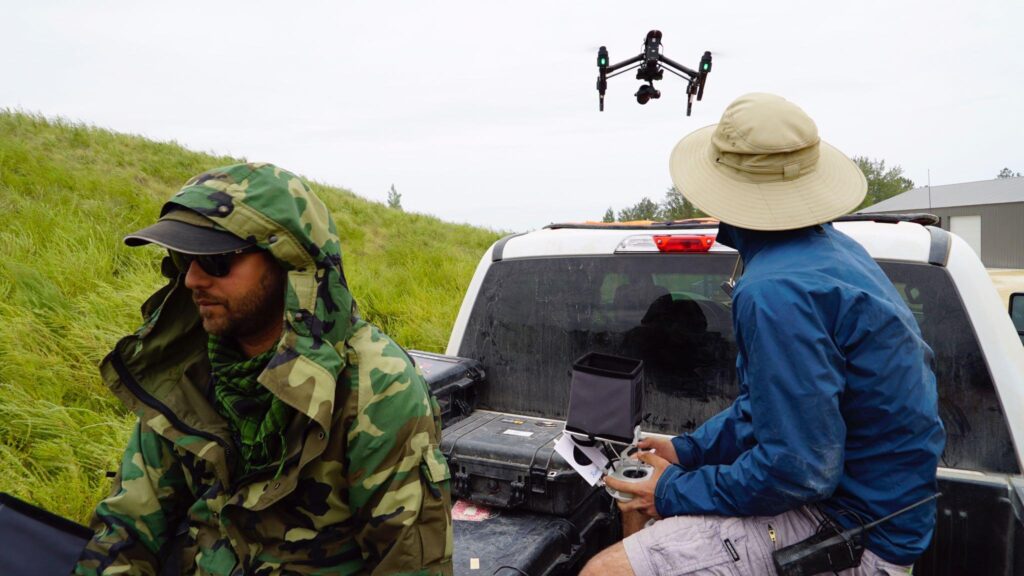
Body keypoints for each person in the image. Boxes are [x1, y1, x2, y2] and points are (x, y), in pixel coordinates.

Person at [583, 93, 945, 575]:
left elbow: (798, 469)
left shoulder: (774, 290)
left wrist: (670, 489)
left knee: (604, 572)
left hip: (854, 528)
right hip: (883, 511)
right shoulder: (831, 252)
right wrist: (687, 450)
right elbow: (777, 407)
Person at [74, 163, 453, 575]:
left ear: (288, 263)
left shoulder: (377, 386)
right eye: (183, 258)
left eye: (216, 260)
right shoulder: (187, 372)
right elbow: (127, 527)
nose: (193, 280)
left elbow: (409, 564)